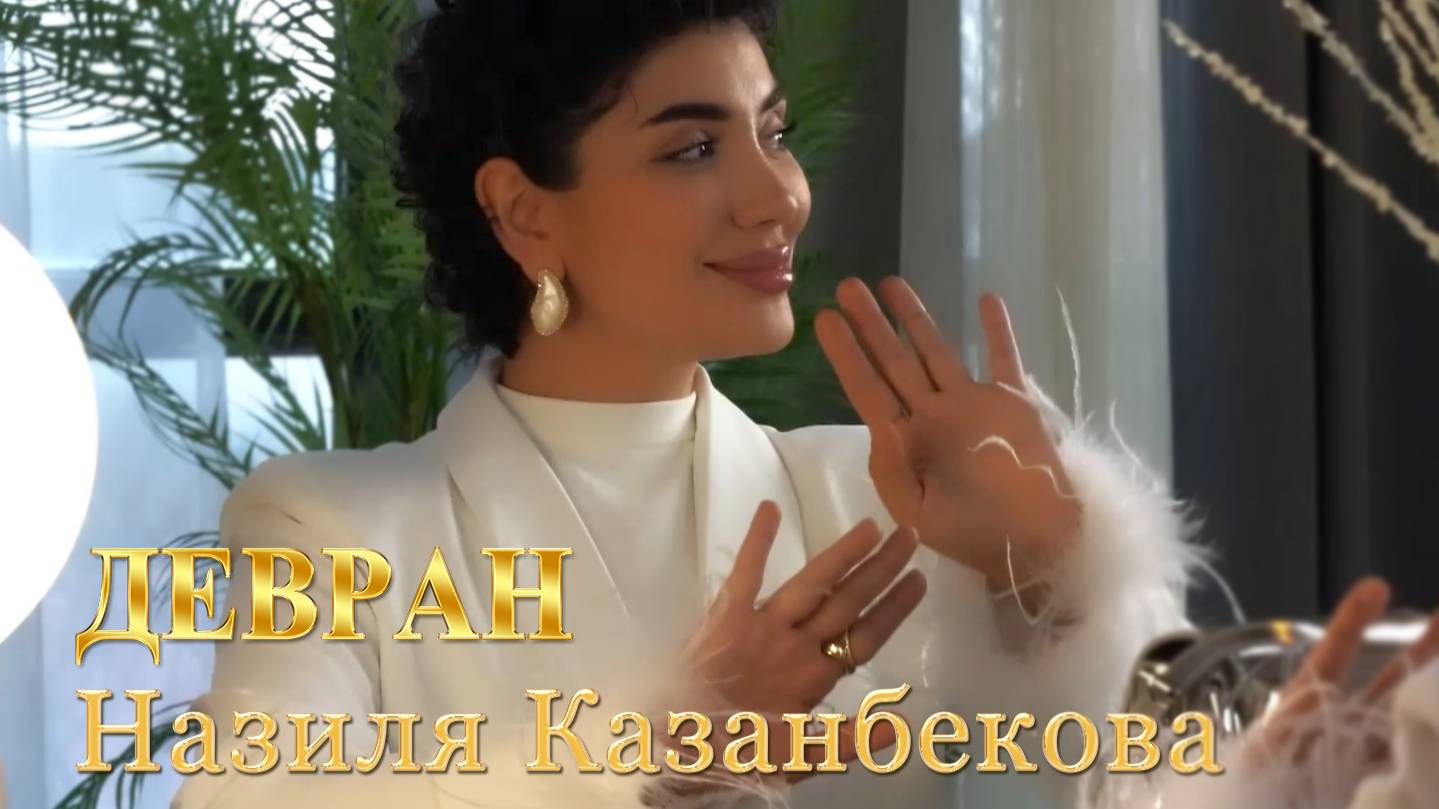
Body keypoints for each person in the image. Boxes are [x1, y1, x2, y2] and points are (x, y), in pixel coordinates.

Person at [172, 2, 1435, 808]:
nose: (776, 194)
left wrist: (1054, 577)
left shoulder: (874, 502)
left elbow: (1145, 782)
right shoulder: (330, 524)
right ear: (521, 211)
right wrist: (672, 743)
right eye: (691, 147)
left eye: (770, 132)